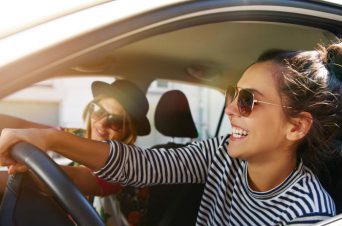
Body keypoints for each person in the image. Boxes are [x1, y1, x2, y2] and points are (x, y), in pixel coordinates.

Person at [1, 41, 342, 225]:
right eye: (233, 93)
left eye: (249, 100)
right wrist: (47, 139)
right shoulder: (221, 153)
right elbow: (145, 165)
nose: (230, 109)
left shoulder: (309, 214)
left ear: (295, 126)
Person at [0, 79, 151, 226]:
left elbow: (73, 177)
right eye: (99, 111)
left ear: (128, 132)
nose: (101, 124)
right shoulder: (78, 135)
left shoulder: (126, 165)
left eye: (115, 121)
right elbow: (23, 126)